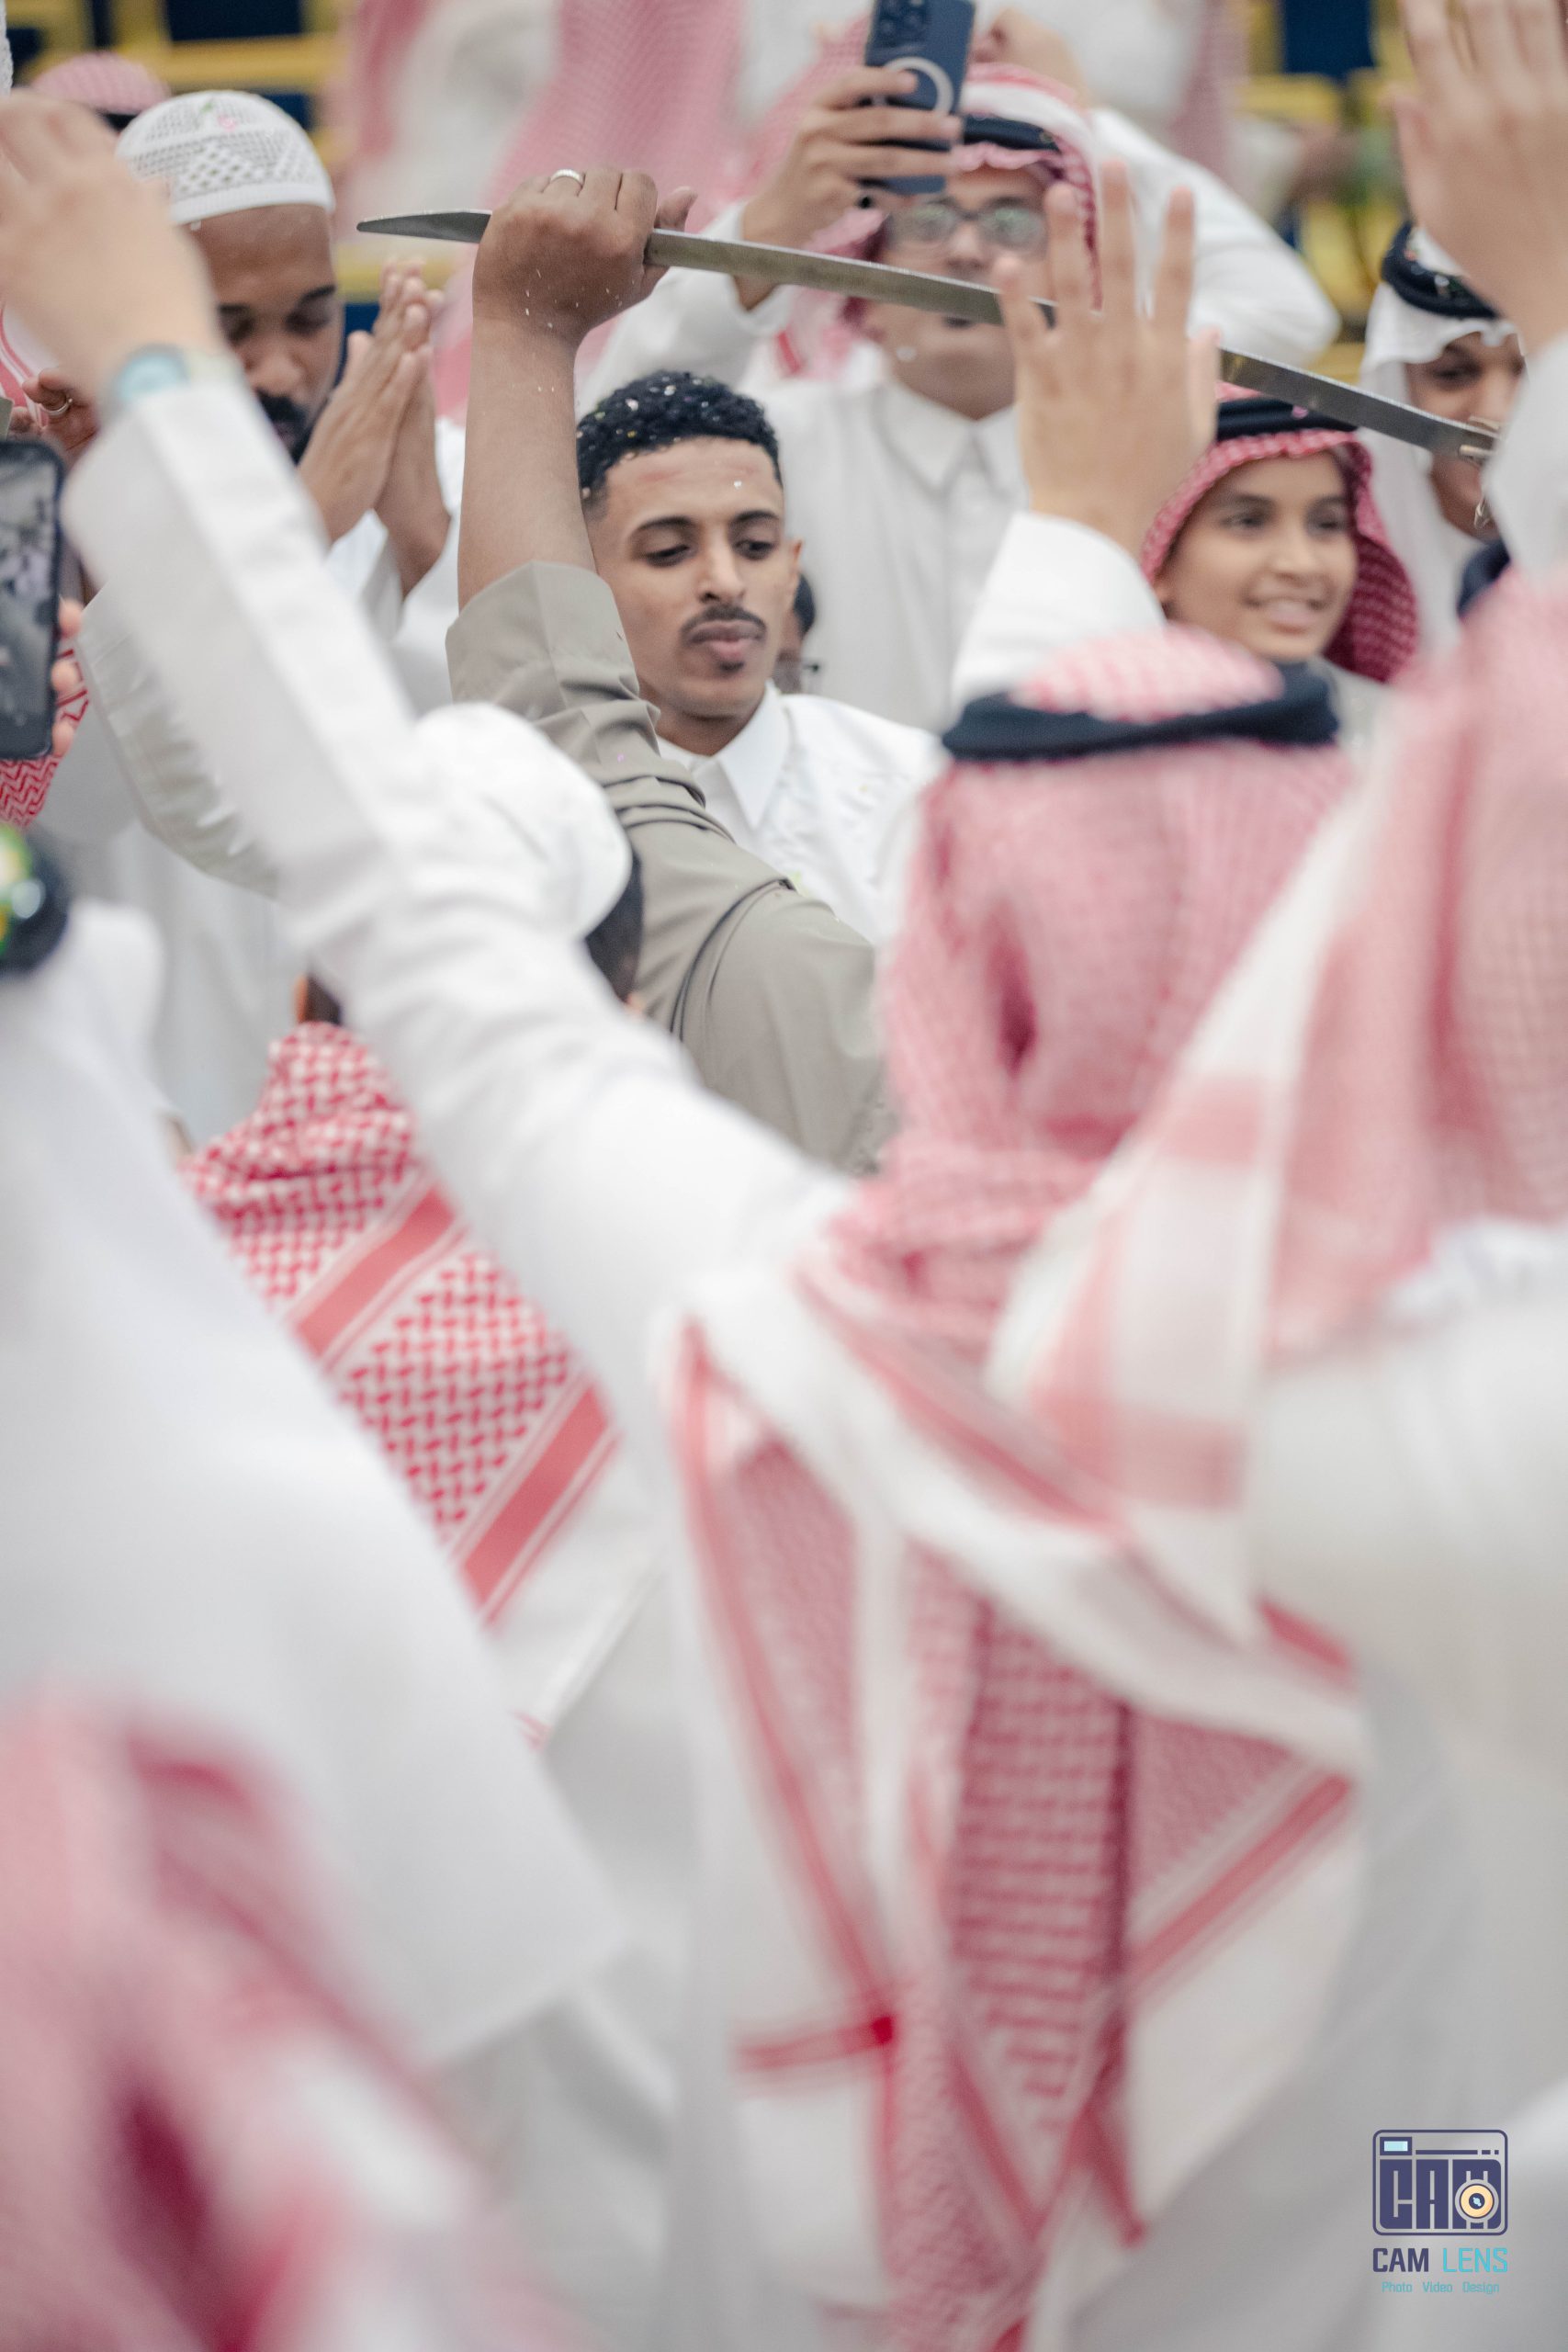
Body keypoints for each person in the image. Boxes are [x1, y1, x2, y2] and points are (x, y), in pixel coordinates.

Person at [27, 97, 1562, 2348]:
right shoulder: (1466, 1428)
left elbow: (397, 876)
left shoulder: (794, 1319)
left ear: (943, 949)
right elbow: (1467, 2094)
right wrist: (1438, 2281)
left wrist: (160, 381)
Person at [584, 57, 1337, 726]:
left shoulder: (1129, 446)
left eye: (1012, 223)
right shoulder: (780, 446)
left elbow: (1287, 311)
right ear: (863, 284)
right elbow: (617, 436)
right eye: (927, 220)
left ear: (1075, 276)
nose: (967, 250)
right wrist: (774, 221)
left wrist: (1083, 115)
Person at [574, 368, 941, 938]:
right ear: (582, 579)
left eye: (754, 546)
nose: (726, 582)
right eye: (669, 551)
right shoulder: (549, 806)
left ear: (791, 568)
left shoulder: (914, 794)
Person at [1359, 219, 1525, 651]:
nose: (1495, 414)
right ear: (1400, 387)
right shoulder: (1335, 564)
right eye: (1452, 374)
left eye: (1532, 370)